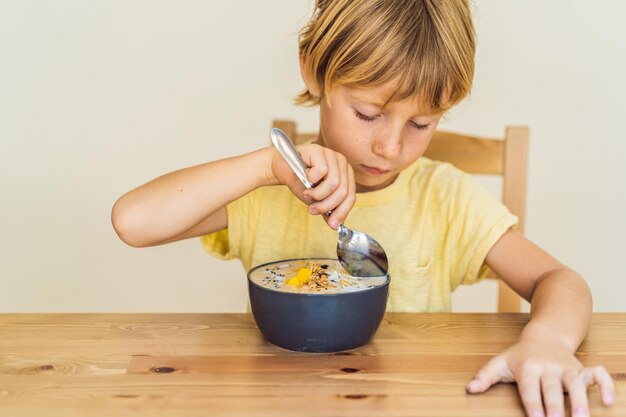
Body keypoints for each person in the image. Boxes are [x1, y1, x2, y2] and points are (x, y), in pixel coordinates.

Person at [111, 1, 614, 416]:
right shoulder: (265, 190)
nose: (391, 147)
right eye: (369, 114)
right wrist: (267, 167)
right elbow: (133, 221)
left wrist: (549, 340)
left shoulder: (445, 198)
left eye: (422, 124)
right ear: (314, 72)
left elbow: (561, 281)